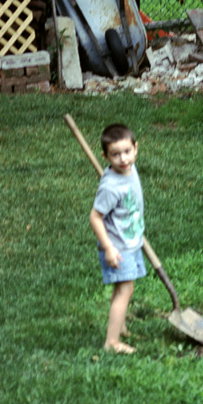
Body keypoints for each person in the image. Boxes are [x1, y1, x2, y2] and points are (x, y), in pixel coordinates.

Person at [89, 123, 146, 354]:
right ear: (105, 156)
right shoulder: (111, 187)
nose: (123, 159)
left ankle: (120, 326)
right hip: (117, 246)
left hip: (130, 241)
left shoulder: (129, 169)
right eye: (115, 154)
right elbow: (95, 218)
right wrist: (109, 248)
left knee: (125, 288)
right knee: (124, 291)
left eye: (127, 152)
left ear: (136, 149)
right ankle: (111, 342)